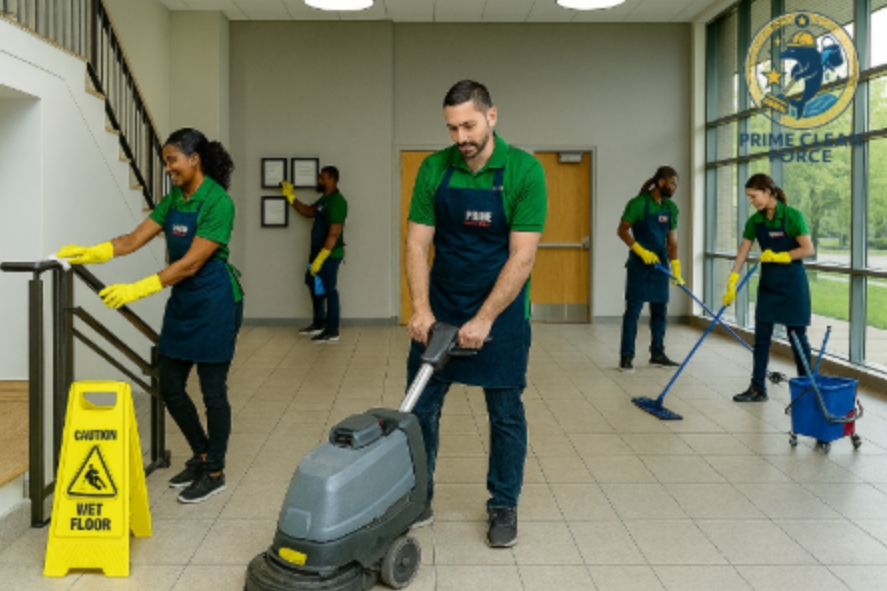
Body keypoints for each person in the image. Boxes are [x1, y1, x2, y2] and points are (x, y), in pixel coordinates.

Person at [56, 128, 243, 504]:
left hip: (214, 300)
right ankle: (202, 453)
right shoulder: (174, 198)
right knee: (170, 383)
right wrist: (93, 252)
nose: (168, 168)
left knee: (212, 391)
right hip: (184, 300)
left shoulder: (218, 202)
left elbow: (190, 263)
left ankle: (216, 471)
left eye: (172, 160)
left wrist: (136, 289)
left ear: (195, 159)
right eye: (166, 161)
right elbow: (133, 239)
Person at [404, 80, 547, 548]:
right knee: (421, 409)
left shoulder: (525, 170)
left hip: (500, 315)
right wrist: (421, 310)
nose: (460, 137)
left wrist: (485, 319)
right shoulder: (433, 168)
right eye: (452, 128)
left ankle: (504, 504)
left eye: (468, 125)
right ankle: (418, 498)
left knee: (505, 413)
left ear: (491, 117)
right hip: (441, 308)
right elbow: (417, 243)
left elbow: (522, 257)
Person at [723, 173, 814, 402]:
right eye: (749, 197)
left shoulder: (793, 216)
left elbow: (807, 249)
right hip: (769, 285)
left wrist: (783, 256)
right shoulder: (756, 221)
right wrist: (732, 280)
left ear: (768, 191)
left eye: (754, 196)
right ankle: (757, 388)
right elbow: (743, 250)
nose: (751, 201)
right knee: (762, 337)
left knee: (797, 337)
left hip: (793, 285)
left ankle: (806, 388)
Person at [617, 166, 684, 372]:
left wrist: (676, 268)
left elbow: (672, 242)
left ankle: (657, 353)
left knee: (660, 312)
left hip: (660, 267)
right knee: (633, 312)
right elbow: (622, 230)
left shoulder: (671, 208)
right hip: (639, 266)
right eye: (672, 183)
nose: (674, 188)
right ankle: (626, 357)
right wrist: (640, 250)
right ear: (661, 182)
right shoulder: (638, 204)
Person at [281, 166, 348, 343]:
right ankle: (319, 323)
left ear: (333, 179)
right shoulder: (324, 200)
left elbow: (334, 231)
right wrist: (290, 196)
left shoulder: (337, 202)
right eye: (319, 177)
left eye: (323, 178)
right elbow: (308, 211)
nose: (319, 180)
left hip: (330, 255)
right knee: (314, 286)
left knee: (329, 290)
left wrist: (321, 258)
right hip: (316, 254)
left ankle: (332, 330)